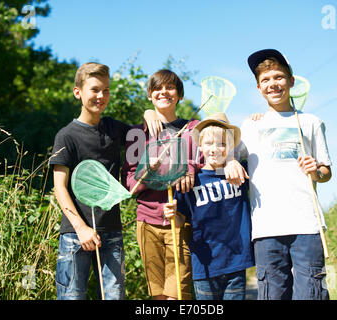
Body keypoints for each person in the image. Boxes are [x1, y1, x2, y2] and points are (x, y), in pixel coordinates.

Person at [121, 69, 247, 300]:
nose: (163, 92)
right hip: (147, 221)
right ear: (150, 95)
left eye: (170, 88)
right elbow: (130, 184)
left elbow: (211, 159)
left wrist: (224, 161)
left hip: (182, 221)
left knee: (179, 294)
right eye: (157, 88)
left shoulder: (192, 130)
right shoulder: (137, 134)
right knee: (158, 296)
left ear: (179, 95)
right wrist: (147, 171)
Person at [50, 62, 158, 300]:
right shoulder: (66, 136)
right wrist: (81, 229)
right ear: (78, 92)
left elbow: (142, 137)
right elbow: (59, 188)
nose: (101, 96)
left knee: (114, 296)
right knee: (71, 296)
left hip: (111, 230)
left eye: (106, 90)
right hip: (75, 235)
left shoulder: (113, 127)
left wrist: (148, 112)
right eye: (95, 89)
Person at [240, 49, 332, 300]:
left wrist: (316, 171)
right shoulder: (251, 125)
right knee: (272, 294)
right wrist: (229, 163)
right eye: (265, 80)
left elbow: (326, 172)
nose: (273, 84)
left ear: (291, 81)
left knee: (312, 294)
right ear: (258, 88)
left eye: (279, 77)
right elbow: (223, 150)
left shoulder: (311, 122)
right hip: (266, 227)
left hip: (307, 224)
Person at [164, 112, 255, 300]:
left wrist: (257, 119)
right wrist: (173, 215)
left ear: (230, 147)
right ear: (200, 146)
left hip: (236, 260)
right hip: (204, 264)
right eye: (208, 143)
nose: (214, 149)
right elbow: (181, 220)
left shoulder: (240, 172)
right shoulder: (190, 181)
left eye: (222, 144)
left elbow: (258, 154)